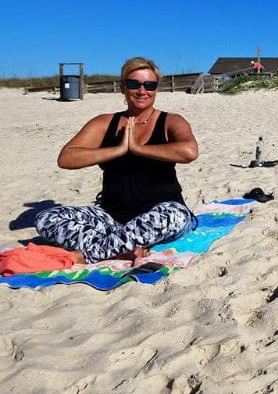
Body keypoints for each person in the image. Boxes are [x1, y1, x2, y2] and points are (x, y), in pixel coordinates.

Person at [35, 57, 199, 264]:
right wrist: (119, 149)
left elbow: (189, 152)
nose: (142, 91)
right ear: (123, 87)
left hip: (162, 214)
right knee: (46, 218)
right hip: (113, 218)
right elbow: (67, 158)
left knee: (171, 215)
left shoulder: (171, 121)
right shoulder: (104, 123)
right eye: (133, 84)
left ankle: (92, 253)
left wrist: (138, 148)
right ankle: (120, 248)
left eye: (149, 85)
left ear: (156, 89)